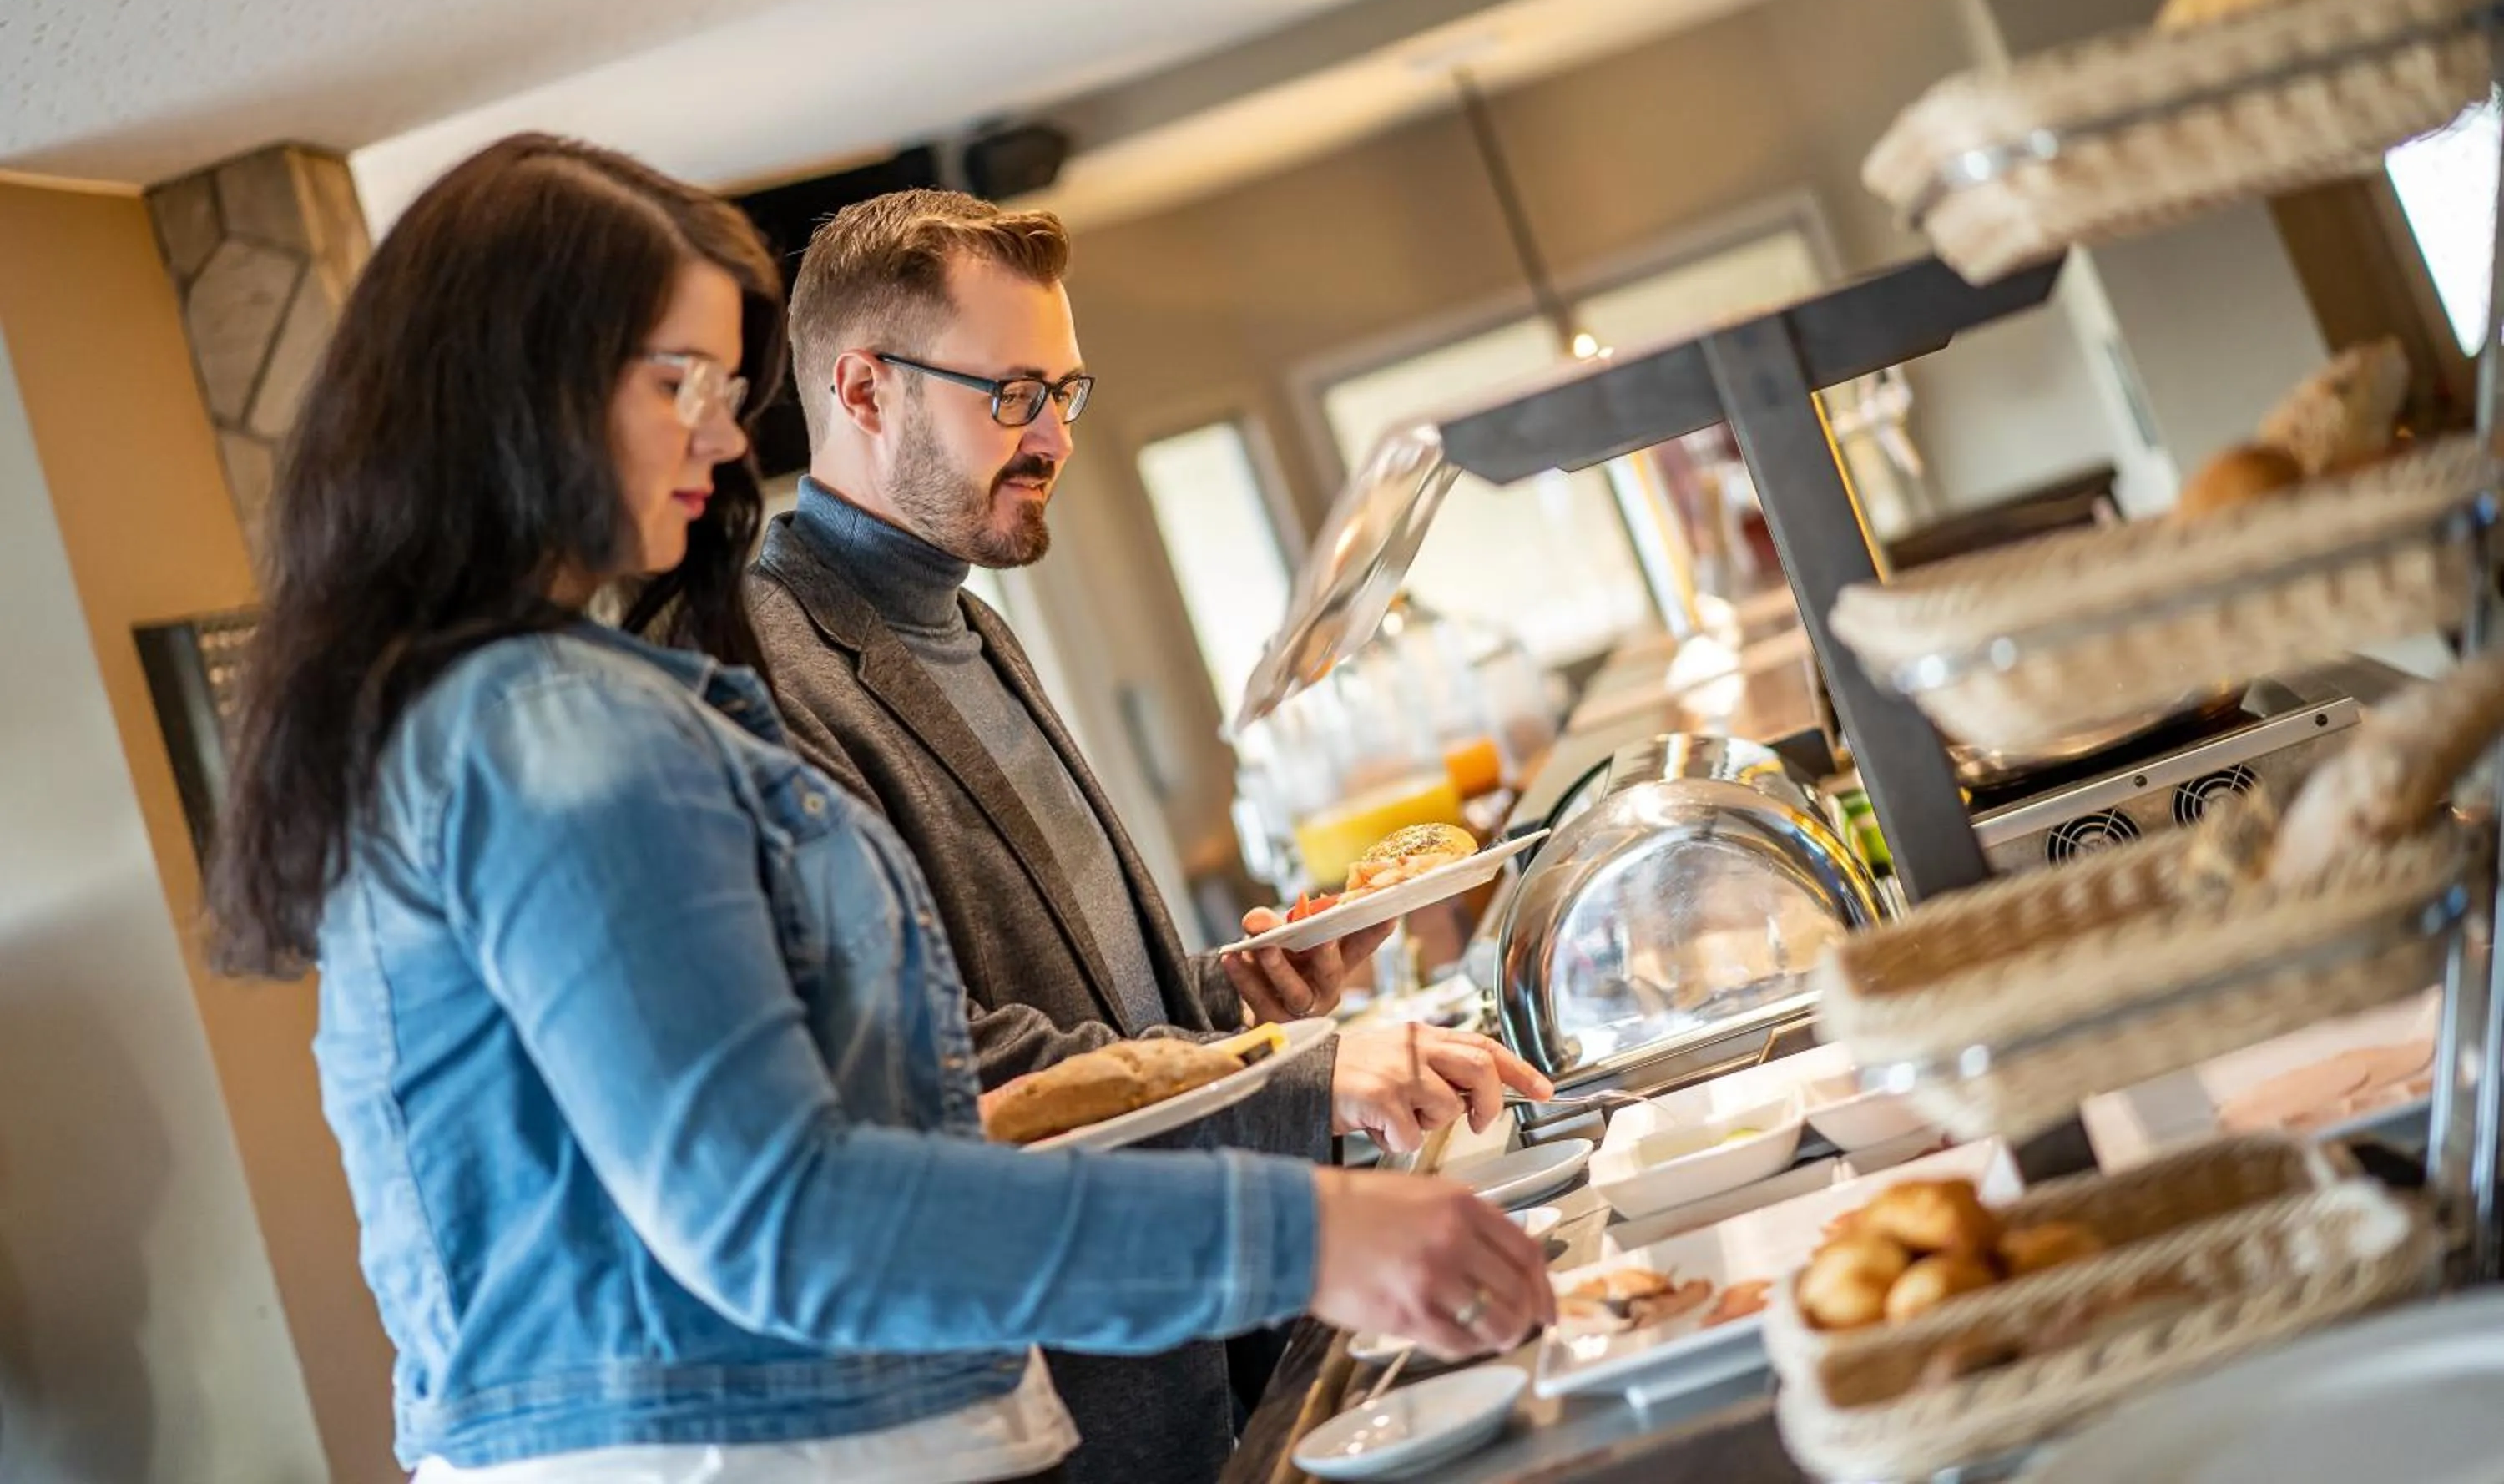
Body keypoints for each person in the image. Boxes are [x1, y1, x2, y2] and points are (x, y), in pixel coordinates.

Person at [201, 134, 1553, 1483]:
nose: (729, 434)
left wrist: (1250, 1055)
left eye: (727, 388)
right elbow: (787, 1212)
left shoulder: (499, 713)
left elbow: (895, 1076)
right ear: (517, 395)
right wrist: (1305, 1227)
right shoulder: (553, 731)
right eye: (681, 381)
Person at [747, 189, 1552, 1484]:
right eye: (1015, 394)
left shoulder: (974, 621)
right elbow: (942, 1063)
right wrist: (1300, 1077)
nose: (1056, 436)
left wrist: (1237, 1007)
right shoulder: (775, 677)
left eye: (1068, 391)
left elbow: (1085, 992)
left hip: (1213, 1345)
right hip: (1078, 1396)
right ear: (863, 389)